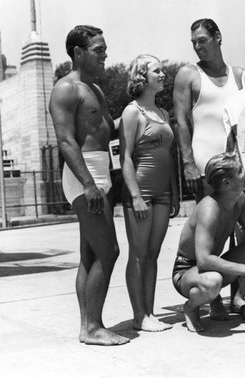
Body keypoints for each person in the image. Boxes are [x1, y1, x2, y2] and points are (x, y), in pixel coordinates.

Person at [48, 25, 129, 345]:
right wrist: (89, 185)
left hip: (99, 174)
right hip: (84, 176)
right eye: (98, 50)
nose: (105, 54)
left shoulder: (94, 89)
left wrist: (143, 112)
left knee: (90, 254)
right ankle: (94, 327)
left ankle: (87, 326)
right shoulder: (65, 89)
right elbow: (66, 141)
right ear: (78, 53)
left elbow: (108, 129)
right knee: (109, 252)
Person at [172, 152, 245, 332]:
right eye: (240, 171)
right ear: (227, 183)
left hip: (211, 266)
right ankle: (191, 307)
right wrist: (244, 270)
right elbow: (203, 260)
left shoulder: (240, 198)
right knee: (212, 281)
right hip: (186, 272)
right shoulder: (209, 208)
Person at [120, 54, 180, 332]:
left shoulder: (163, 113)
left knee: (153, 255)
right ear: (142, 76)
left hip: (163, 194)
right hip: (141, 192)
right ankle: (138, 315)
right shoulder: (133, 112)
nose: (163, 74)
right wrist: (135, 196)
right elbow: (126, 157)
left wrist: (175, 193)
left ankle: (150, 313)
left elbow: (169, 155)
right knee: (139, 254)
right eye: (157, 71)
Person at [173, 18, 244, 201]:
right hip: (206, 166)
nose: (197, 46)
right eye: (193, 42)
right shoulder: (188, 74)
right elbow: (181, 123)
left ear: (217, 37)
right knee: (211, 225)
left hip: (238, 166)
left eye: (202, 40)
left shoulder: (239, 75)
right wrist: (189, 164)